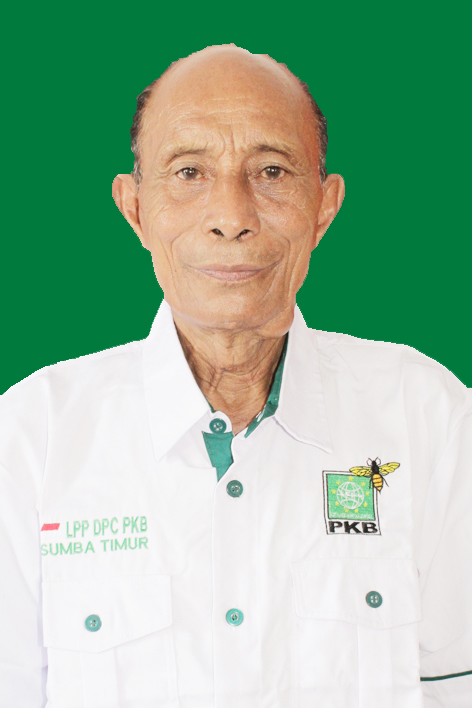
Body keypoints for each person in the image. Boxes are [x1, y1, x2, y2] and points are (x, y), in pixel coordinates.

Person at [1, 44, 471, 708]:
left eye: (271, 171)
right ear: (136, 209)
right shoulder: (30, 440)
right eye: (189, 171)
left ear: (324, 207)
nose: (232, 216)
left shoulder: (429, 419)